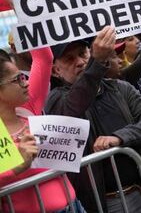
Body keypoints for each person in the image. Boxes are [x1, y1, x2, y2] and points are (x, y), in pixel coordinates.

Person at [45, 26, 141, 212]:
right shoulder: (56, 100)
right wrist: (97, 62)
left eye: (82, 53)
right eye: (69, 59)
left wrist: (120, 137)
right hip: (109, 202)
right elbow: (75, 104)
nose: (79, 62)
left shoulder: (119, 87)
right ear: (56, 71)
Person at [0, 47, 85, 212]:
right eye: (17, 79)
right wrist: (17, 167)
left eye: (23, 76)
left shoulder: (28, 109)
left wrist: (30, 20)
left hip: (74, 206)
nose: (26, 82)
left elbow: (44, 58)